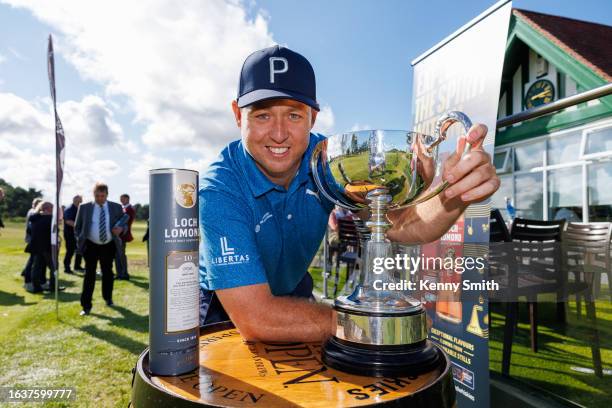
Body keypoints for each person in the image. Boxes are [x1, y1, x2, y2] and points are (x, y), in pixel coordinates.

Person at [198, 45, 499, 342]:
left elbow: (402, 224)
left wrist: (456, 193)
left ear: (313, 117)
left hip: (293, 293)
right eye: (262, 116)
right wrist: (366, 321)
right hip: (225, 305)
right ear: (238, 115)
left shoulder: (327, 159)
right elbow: (257, 318)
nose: (279, 134)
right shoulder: (219, 189)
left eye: (294, 116)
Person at [75, 183, 124, 315]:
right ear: (93, 194)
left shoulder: (116, 207)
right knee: (89, 274)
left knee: (108, 273)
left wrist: (121, 230)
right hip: (90, 245)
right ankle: (86, 306)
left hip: (108, 245)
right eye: (97, 195)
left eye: (102, 196)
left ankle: (108, 298)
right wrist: (80, 240)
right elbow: (77, 226)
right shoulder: (84, 207)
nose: (100, 198)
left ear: (107, 194)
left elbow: (123, 225)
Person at [26, 201, 65, 293]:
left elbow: (29, 231)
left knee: (36, 267)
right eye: (52, 209)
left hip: (36, 246)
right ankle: (53, 286)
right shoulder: (51, 219)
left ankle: (37, 287)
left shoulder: (34, 218)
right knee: (54, 267)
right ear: (47, 209)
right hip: (48, 247)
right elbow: (55, 233)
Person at [114, 193, 135, 280]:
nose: (121, 200)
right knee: (117, 254)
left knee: (121, 254)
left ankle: (124, 274)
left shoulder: (129, 209)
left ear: (127, 199)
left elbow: (126, 222)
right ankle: (119, 273)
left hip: (123, 234)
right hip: (119, 234)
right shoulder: (124, 208)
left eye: (122, 199)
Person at [22, 197, 43, 280]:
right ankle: (27, 273)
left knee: (32, 257)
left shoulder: (31, 211)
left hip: (31, 237)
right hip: (33, 238)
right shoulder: (33, 212)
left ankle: (26, 272)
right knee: (33, 258)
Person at [63, 195, 83, 274]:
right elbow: (68, 221)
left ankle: (77, 266)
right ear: (75, 200)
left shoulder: (79, 208)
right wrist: (79, 227)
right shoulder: (69, 209)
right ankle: (67, 268)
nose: (81, 202)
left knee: (80, 250)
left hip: (78, 233)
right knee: (70, 250)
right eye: (79, 201)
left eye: (81, 200)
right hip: (70, 234)